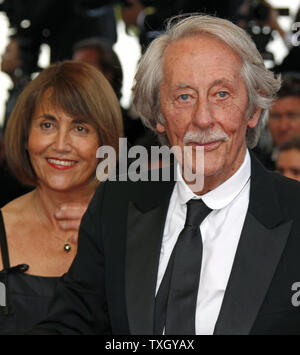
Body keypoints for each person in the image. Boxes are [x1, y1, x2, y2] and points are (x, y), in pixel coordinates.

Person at [32, 14, 300, 335]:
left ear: (254, 109)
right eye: (184, 97)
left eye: (221, 94)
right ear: (158, 116)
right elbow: (75, 320)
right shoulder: (118, 201)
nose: (203, 119)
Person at [0, 61, 123, 334]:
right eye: (47, 125)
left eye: (80, 128)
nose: (60, 144)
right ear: (25, 135)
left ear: (105, 143)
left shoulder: (136, 231)